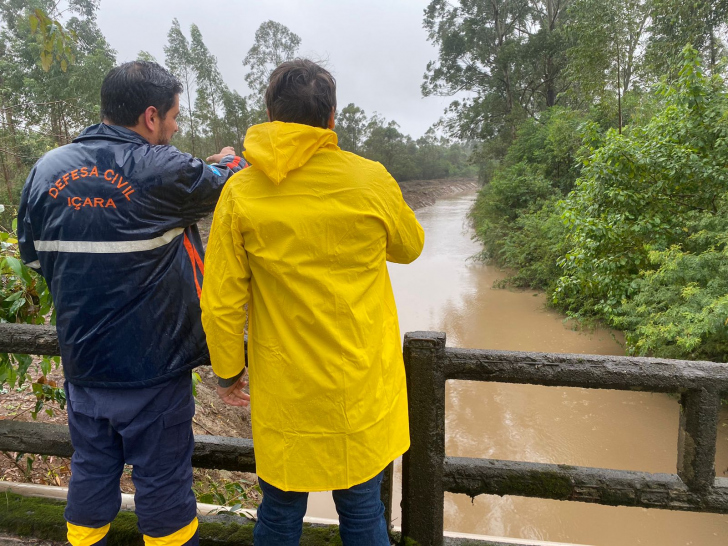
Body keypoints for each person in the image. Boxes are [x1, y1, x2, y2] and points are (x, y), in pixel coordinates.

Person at [17, 61, 247, 546]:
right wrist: (229, 158)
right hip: (153, 372)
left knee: (90, 477)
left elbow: (35, 262)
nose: (176, 126)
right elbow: (224, 180)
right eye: (174, 116)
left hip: (83, 370)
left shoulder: (45, 170)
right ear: (150, 116)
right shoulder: (163, 169)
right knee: (164, 493)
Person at [201, 59, 425, 545]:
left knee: (279, 512)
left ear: (271, 116)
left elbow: (220, 300)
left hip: (286, 392)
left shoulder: (240, 191)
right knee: (364, 512)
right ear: (331, 117)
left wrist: (226, 371)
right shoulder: (370, 180)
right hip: (360, 385)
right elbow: (410, 247)